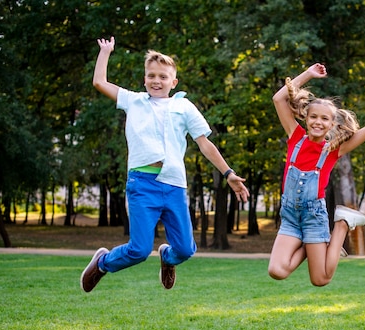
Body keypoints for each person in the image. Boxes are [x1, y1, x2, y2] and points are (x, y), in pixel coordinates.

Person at [80, 37, 249, 292]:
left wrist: (228, 173)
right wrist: (105, 52)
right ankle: (103, 263)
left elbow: (205, 144)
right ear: (145, 78)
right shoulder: (133, 100)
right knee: (138, 250)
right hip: (142, 184)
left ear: (174, 82)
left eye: (162, 76)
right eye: (151, 76)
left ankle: (167, 258)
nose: (156, 81)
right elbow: (99, 82)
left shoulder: (184, 106)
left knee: (185, 249)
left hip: (173, 185)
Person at [268, 63, 365, 287]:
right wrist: (309, 74)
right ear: (306, 118)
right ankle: (312, 243)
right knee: (276, 271)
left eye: (324, 119)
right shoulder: (295, 136)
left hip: (314, 218)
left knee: (320, 279)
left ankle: (342, 224)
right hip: (291, 218)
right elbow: (278, 99)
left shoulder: (332, 150)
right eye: (314, 117)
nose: (318, 122)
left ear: (332, 124)